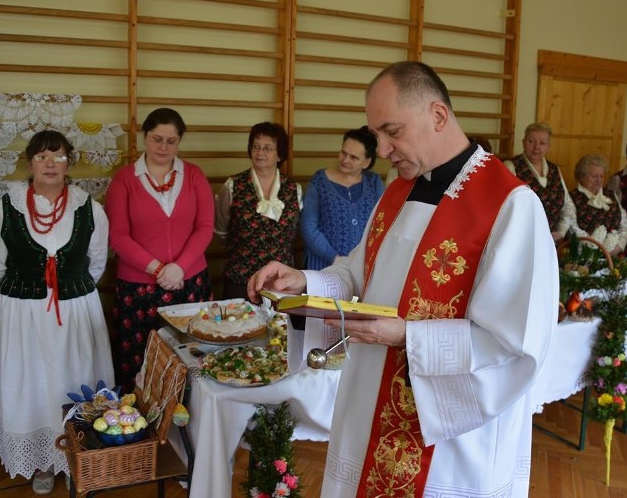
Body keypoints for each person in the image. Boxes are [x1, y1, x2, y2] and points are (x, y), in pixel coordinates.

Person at [248, 61, 558, 497]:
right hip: (369, 399)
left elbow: (516, 344)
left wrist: (406, 337)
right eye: (377, 135)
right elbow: (358, 274)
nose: (384, 148)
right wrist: (303, 281)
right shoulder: (398, 189)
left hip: (448, 434)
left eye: (392, 131)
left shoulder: (510, 205)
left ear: (437, 115)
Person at [0, 130, 113, 494]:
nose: (50, 163)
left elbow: (97, 262)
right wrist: (32, 291)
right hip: (24, 316)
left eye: (57, 156)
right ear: (30, 162)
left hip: (76, 314)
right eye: (41, 156)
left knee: (76, 379)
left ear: (69, 161)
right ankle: (42, 460)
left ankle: (76, 456)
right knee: (33, 385)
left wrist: (69, 287)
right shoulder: (0, 210)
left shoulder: (91, 209)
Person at [105, 108, 215, 391]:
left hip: (189, 283)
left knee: (193, 361)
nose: (163, 147)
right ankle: (142, 428)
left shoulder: (194, 175)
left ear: (179, 141)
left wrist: (180, 267)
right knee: (140, 362)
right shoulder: (124, 180)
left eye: (171, 141)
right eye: (156, 139)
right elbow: (117, 236)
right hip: (138, 290)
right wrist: (158, 269)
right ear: (144, 137)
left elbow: (205, 227)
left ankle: (188, 428)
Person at [214, 122, 302, 300]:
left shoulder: (294, 189)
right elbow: (220, 231)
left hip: (280, 281)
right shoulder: (233, 186)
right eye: (256, 146)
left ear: (280, 154)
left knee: (280, 327)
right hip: (240, 277)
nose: (260, 152)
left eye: (268, 148)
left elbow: (295, 232)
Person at [300, 126, 384, 270]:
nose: (345, 160)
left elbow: (382, 224)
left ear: (367, 162)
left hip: (361, 268)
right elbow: (308, 227)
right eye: (343, 153)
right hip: (321, 265)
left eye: (353, 157)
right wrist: (334, 257)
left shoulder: (374, 183)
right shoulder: (320, 181)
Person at [504, 122, 576, 240]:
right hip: (523, 239)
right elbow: (506, 207)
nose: (536, 147)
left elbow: (568, 205)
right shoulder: (511, 166)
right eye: (531, 141)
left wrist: (561, 232)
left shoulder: (554, 169)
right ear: (523, 142)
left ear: (548, 146)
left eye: (542, 143)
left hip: (553, 240)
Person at [569, 154, 627, 256]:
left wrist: (618, 246)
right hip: (584, 256)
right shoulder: (572, 197)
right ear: (582, 176)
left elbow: (624, 224)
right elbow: (572, 228)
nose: (599, 180)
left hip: (613, 255)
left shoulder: (611, 194)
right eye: (594, 176)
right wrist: (596, 249)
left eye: (601, 175)